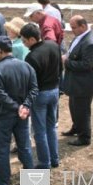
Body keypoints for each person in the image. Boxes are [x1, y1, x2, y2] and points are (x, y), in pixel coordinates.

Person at [0, 36, 38, 185]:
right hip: (22, 115)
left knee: (2, 149)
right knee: (24, 146)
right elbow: (34, 90)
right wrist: (25, 106)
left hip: (4, 115)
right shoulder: (26, 66)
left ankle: (2, 184)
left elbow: (0, 94)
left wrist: (17, 107)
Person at [61, 15, 93, 146]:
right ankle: (76, 128)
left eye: (73, 27)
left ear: (83, 26)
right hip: (77, 82)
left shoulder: (90, 43)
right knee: (74, 107)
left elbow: (86, 65)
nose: (72, 30)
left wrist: (67, 61)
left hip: (84, 84)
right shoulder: (81, 37)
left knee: (82, 110)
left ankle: (85, 137)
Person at [20, 23, 61, 169]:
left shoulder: (31, 57)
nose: (24, 44)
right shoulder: (53, 45)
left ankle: (45, 162)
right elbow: (60, 68)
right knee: (51, 127)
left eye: (24, 41)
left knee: (40, 131)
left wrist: (26, 102)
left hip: (41, 95)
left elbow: (30, 83)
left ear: (32, 39)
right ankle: (54, 158)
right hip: (54, 91)